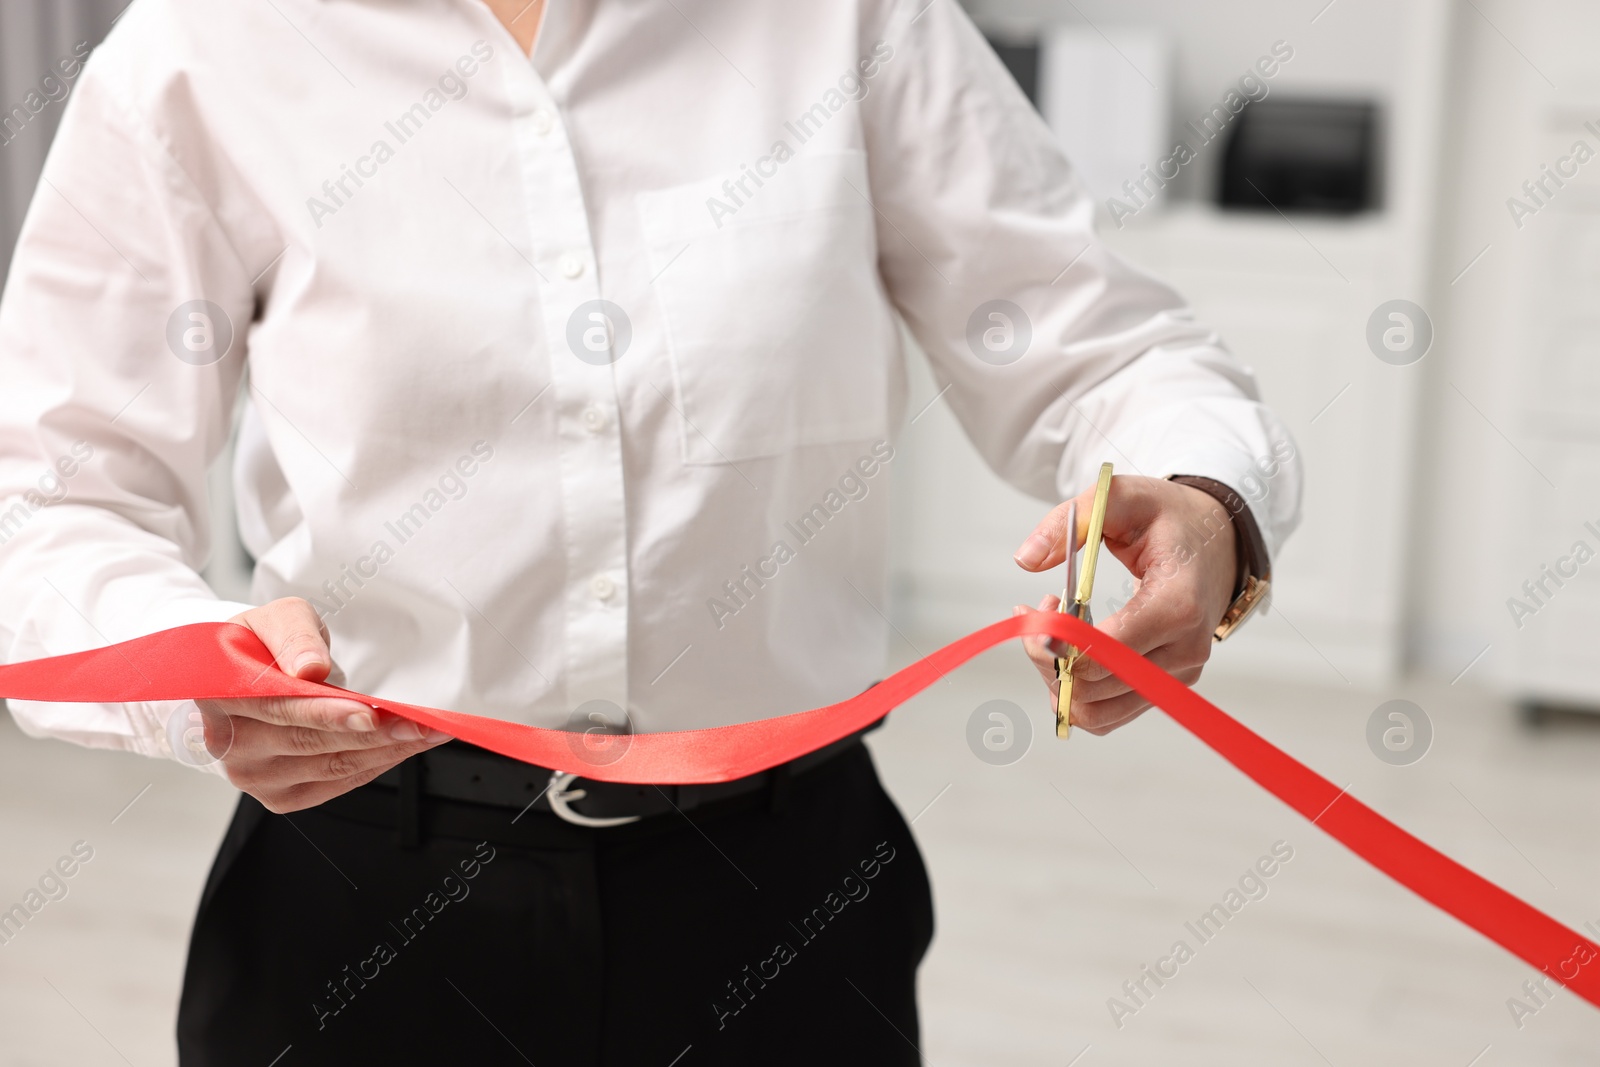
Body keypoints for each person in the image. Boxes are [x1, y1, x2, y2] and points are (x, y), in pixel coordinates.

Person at [0, 0, 1301, 1063]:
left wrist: (1207, 501)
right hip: (363, 906)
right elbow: (50, 494)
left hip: (784, 905)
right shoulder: (206, 47)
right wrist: (203, 670)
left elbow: (1096, 342)